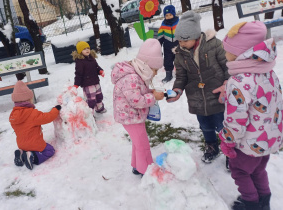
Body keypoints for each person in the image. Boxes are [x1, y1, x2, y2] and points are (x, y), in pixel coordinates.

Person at [220, 21, 282, 210]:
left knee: (241, 172)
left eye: (227, 50)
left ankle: (251, 203)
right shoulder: (268, 73)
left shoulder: (239, 81)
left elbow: (236, 120)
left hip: (247, 143)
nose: (224, 54)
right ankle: (264, 200)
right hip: (269, 138)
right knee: (258, 170)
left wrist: (228, 141)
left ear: (241, 52)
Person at [166, 10, 230, 163]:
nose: (181, 44)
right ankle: (212, 146)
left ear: (195, 36)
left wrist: (228, 83)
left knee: (223, 125)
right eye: (179, 41)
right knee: (205, 124)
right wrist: (177, 90)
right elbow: (181, 76)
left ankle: (230, 152)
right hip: (196, 97)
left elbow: (227, 65)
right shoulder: (180, 54)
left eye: (184, 41)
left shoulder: (213, 45)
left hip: (217, 93)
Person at [111, 39, 165, 176]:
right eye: (155, 69)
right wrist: (154, 98)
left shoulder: (136, 72)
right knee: (143, 145)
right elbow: (136, 100)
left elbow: (137, 91)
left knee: (137, 143)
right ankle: (147, 171)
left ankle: (137, 166)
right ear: (146, 65)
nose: (156, 73)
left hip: (131, 115)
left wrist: (150, 92)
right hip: (130, 116)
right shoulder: (132, 77)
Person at [9, 81, 61, 170]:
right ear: (28, 99)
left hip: (21, 144)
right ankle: (32, 156)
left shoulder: (13, 115)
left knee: (26, 147)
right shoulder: (32, 113)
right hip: (35, 144)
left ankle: (21, 153)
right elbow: (47, 117)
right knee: (49, 150)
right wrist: (55, 110)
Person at [72, 41, 106, 114]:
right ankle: (91, 114)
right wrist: (76, 84)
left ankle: (99, 108)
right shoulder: (80, 62)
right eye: (84, 49)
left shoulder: (92, 58)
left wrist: (100, 71)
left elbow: (96, 67)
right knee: (91, 100)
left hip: (96, 81)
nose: (87, 50)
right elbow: (78, 74)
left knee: (99, 96)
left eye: (88, 48)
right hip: (87, 84)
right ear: (80, 51)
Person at [157, 5, 179, 83]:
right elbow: (160, 36)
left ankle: (180, 74)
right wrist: (158, 44)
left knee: (179, 60)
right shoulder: (163, 24)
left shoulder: (178, 23)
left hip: (178, 46)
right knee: (168, 61)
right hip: (167, 47)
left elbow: (182, 32)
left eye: (170, 14)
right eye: (166, 15)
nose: (168, 17)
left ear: (174, 14)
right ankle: (168, 75)